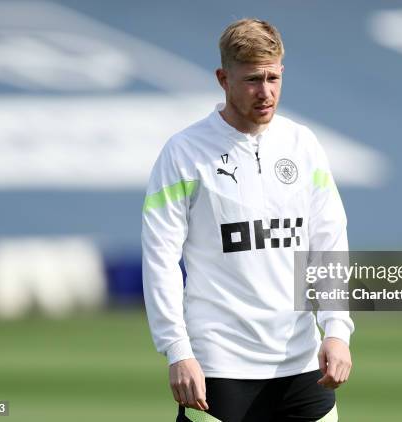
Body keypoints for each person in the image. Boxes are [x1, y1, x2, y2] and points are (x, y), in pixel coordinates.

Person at [142, 18, 354, 422]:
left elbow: (328, 243)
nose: (266, 92)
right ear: (223, 78)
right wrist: (177, 350)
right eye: (253, 79)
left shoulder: (302, 144)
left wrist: (337, 331)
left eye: (273, 77)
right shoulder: (183, 153)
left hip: (302, 365)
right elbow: (160, 259)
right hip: (219, 367)